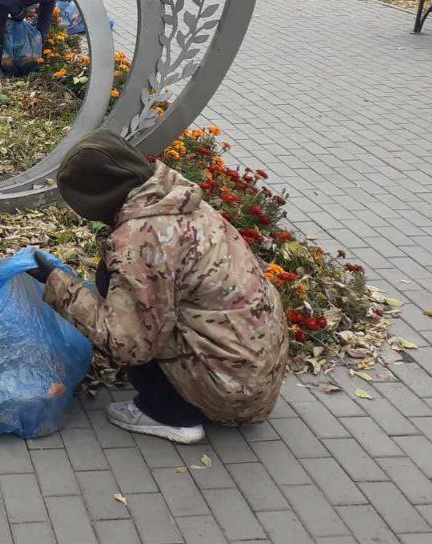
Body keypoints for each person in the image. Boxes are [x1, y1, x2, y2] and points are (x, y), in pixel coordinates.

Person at [28, 129, 289, 443]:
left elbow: (127, 343)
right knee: (116, 282)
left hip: (228, 391)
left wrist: (58, 284)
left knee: (119, 299)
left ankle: (171, 414)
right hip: (255, 371)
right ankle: (186, 394)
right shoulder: (176, 201)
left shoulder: (139, 239)